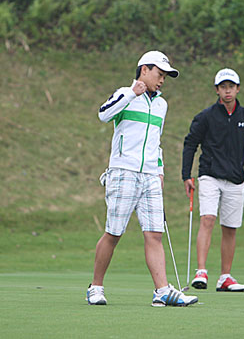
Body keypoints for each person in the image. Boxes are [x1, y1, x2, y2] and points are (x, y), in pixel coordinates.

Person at [87, 51, 198, 307]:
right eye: (159, 74)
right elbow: (103, 114)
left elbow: (155, 141)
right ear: (144, 70)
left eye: (165, 77)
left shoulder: (162, 104)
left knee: (154, 234)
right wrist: (131, 93)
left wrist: (159, 169)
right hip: (123, 171)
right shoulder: (124, 95)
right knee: (113, 233)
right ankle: (96, 287)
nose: (162, 81)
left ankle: (161, 290)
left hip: (150, 175)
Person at [182, 68, 244, 292]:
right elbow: (190, 144)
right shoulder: (206, 117)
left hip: (235, 179)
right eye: (223, 87)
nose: (227, 91)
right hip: (210, 175)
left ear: (238, 89)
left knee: (230, 227)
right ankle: (201, 271)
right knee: (208, 219)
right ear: (217, 90)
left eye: (231, 86)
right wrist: (186, 175)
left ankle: (225, 277)